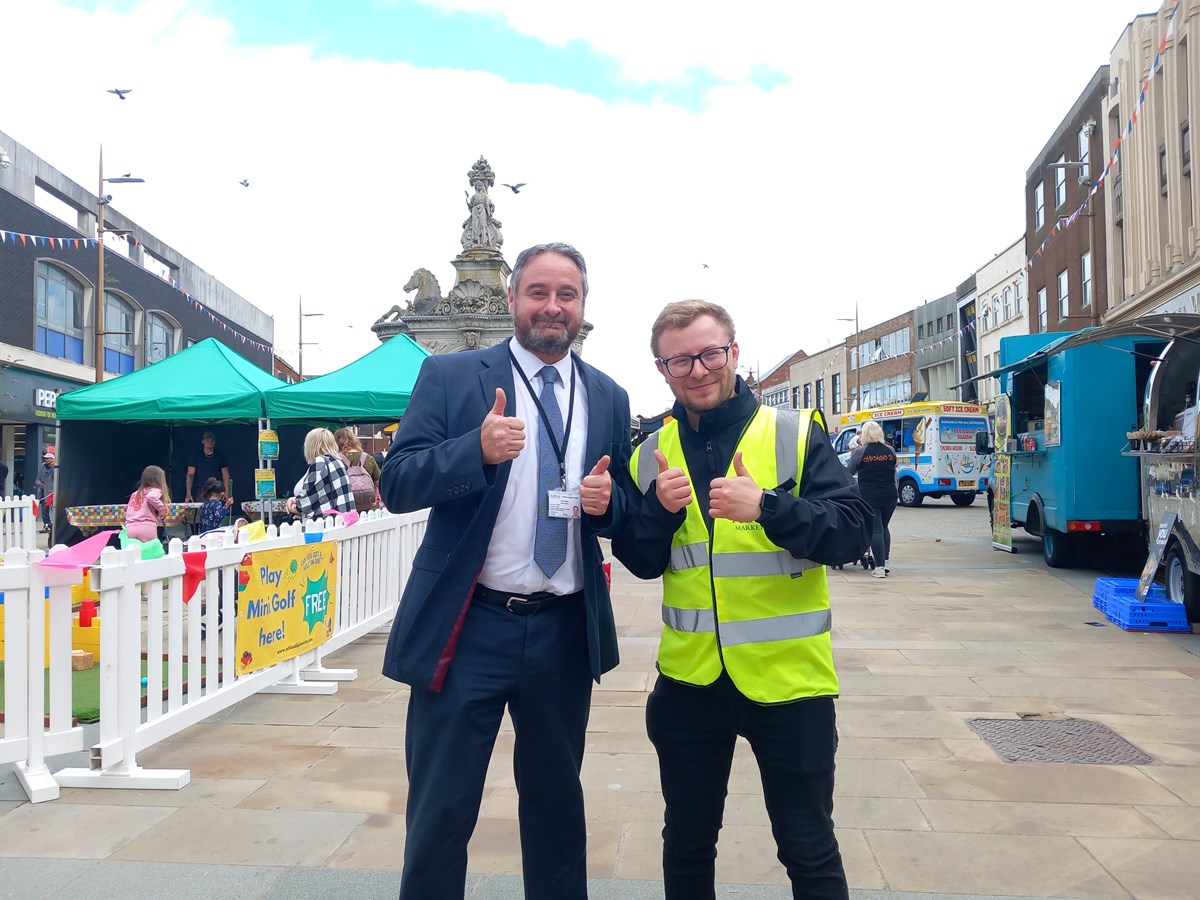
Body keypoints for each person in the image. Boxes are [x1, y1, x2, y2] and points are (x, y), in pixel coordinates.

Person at [379, 242, 633, 900]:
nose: (553, 306)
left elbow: (620, 507)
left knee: (556, 813)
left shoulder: (607, 396)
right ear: (514, 297)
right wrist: (475, 450)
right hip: (469, 629)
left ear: (582, 306)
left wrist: (609, 509)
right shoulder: (453, 377)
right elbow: (398, 481)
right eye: (539, 291)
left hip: (561, 634)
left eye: (567, 294)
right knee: (440, 813)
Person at [612, 299, 871, 900]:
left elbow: (858, 531)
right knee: (687, 842)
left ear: (733, 352)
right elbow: (643, 561)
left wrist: (770, 508)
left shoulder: (793, 433)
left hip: (790, 684)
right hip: (689, 683)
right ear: (662, 369)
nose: (698, 370)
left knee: (808, 847)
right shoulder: (650, 450)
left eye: (709, 353)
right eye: (680, 361)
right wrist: (655, 510)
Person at [847, 419, 898, 578]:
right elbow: (894, 468)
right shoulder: (890, 450)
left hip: (869, 495)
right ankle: (886, 561)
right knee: (884, 527)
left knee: (875, 529)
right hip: (890, 495)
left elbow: (849, 472)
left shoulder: (860, 452)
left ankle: (880, 567)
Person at [285, 428, 355, 518]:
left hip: (326, 522)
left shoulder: (320, 462)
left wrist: (297, 507)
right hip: (341, 518)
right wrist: (295, 499)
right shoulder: (336, 461)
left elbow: (311, 494)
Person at [334, 427, 381, 512]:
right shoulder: (368, 458)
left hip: (346, 506)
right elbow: (378, 482)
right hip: (369, 505)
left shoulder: (336, 459)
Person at [124, 465, 170, 544]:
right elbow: (151, 497)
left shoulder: (135, 494)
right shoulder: (155, 490)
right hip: (147, 527)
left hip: (129, 528)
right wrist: (162, 510)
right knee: (150, 553)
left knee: (132, 553)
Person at [185, 431, 232, 507]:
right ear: (203, 441)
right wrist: (188, 493)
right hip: (200, 490)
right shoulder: (195, 455)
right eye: (207, 440)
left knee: (216, 513)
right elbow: (190, 474)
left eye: (211, 440)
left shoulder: (220, 456)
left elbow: (225, 474)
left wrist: (227, 492)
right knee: (201, 514)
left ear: (214, 442)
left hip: (216, 489)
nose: (209, 442)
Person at [36, 451, 54, 532]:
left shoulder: (55, 468)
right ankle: (47, 525)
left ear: (52, 459)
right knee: (44, 511)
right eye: (45, 458)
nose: (45, 460)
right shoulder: (42, 467)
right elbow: (37, 479)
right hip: (43, 492)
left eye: (47, 458)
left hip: (52, 492)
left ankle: (53, 525)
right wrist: (39, 483)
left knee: (53, 509)